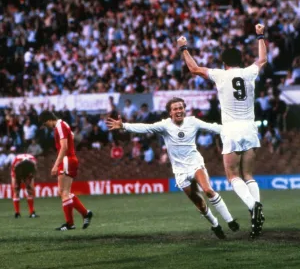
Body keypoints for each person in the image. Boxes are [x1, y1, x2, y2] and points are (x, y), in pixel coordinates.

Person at [178, 24, 267, 239]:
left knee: (233, 175)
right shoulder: (249, 72)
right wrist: (260, 35)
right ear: (240, 60)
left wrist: (183, 48)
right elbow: (262, 59)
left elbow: (194, 69)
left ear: (224, 62)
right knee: (248, 175)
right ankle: (256, 208)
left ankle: (253, 206)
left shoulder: (220, 74)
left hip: (232, 128)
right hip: (250, 126)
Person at [107, 97, 239, 239]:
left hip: (195, 163)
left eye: (181, 108)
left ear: (184, 109)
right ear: (170, 112)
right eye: (175, 109)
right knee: (199, 204)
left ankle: (230, 220)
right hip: (180, 171)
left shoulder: (192, 122)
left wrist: (233, 130)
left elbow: (213, 127)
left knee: (208, 190)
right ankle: (215, 224)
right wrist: (124, 126)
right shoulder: (165, 126)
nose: (179, 111)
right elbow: (146, 127)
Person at [39, 111, 93, 231]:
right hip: (69, 159)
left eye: (45, 123)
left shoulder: (60, 126)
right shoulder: (64, 125)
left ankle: (70, 224)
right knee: (63, 192)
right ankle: (85, 213)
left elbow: (64, 147)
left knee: (63, 192)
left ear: (48, 120)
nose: (46, 126)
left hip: (66, 160)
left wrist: (55, 165)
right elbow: (72, 136)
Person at [11, 153, 38, 218]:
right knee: (16, 189)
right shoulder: (15, 162)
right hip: (17, 172)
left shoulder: (33, 161)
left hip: (28, 172)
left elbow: (34, 171)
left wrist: (29, 178)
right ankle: (17, 213)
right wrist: (17, 180)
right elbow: (14, 173)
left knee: (30, 190)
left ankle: (32, 212)